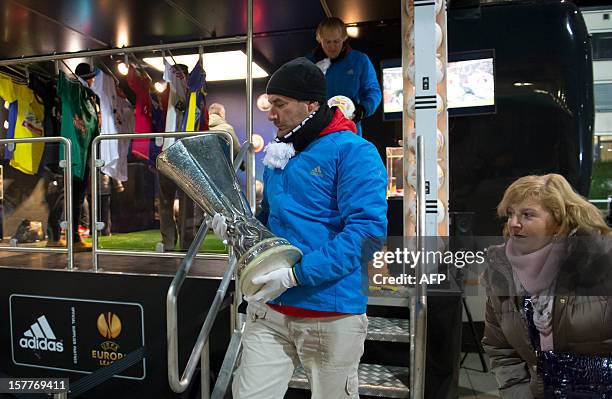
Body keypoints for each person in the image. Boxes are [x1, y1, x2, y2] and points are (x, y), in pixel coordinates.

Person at [211, 57, 387, 399]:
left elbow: (366, 234)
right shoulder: (280, 152)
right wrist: (238, 231)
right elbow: (267, 217)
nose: (270, 114)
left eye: (279, 104)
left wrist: (296, 275)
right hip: (270, 309)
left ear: (311, 105)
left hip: (331, 312)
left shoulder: (354, 152)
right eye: (269, 104)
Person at [482, 174, 612, 398]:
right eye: (511, 214)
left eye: (527, 215)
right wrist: (520, 394)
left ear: (559, 221)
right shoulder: (501, 270)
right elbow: (502, 350)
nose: (514, 223)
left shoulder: (601, 260)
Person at [306, 17, 381, 136]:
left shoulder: (359, 60)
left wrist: (363, 109)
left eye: (336, 41)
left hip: (349, 128)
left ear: (344, 38)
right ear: (319, 39)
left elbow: (373, 91)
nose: (332, 47)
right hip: (318, 131)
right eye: (327, 42)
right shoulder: (308, 64)